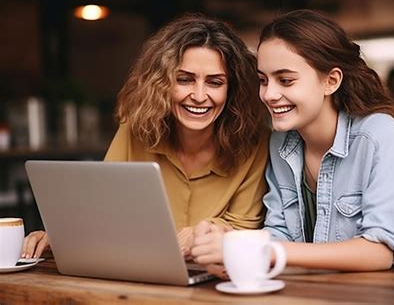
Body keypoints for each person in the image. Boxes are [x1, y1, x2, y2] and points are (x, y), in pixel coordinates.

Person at [192, 10, 394, 274]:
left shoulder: (377, 134)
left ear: (331, 81)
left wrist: (266, 250)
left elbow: (380, 252)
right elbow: (280, 235)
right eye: (263, 80)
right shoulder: (281, 144)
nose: (269, 94)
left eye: (286, 80)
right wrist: (236, 246)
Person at [22, 14, 269, 261]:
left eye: (215, 83)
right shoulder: (135, 129)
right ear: (161, 82)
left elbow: (245, 229)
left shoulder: (254, 142)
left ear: (232, 89)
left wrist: (203, 233)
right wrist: (63, 236)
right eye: (184, 80)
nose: (199, 95)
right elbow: (104, 209)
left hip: (216, 279)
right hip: (139, 271)